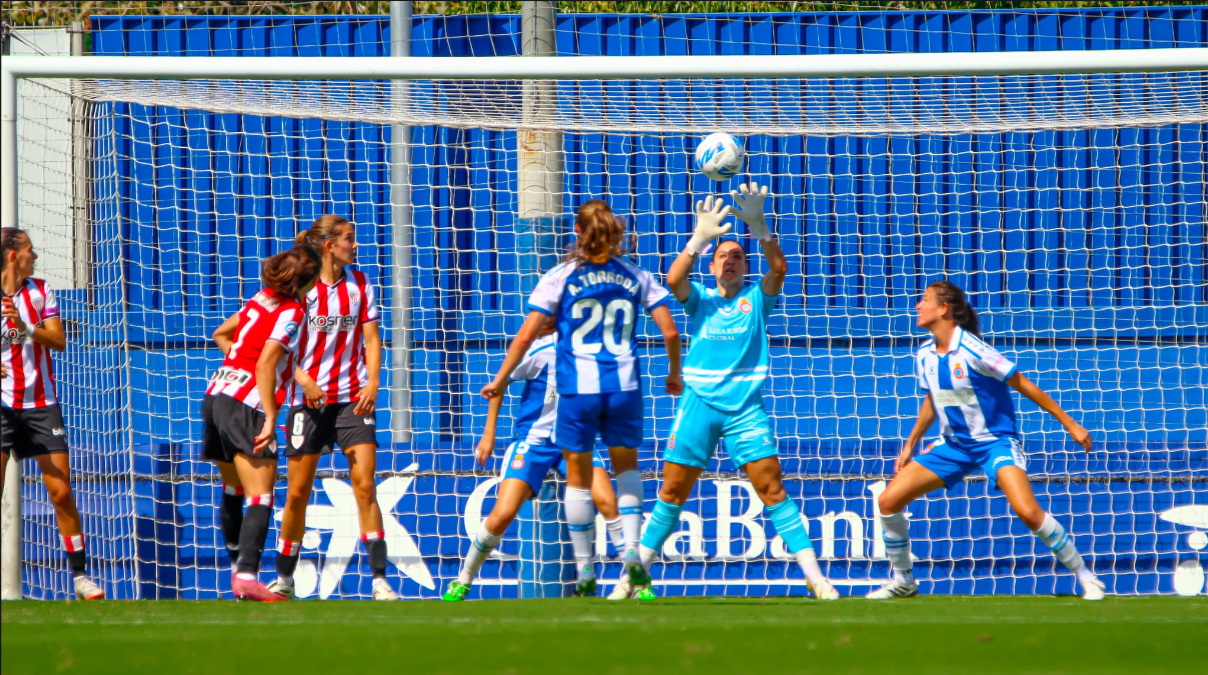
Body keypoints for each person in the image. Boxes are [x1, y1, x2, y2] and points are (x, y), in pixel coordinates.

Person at [625, 184, 840, 602]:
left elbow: (778, 270)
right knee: (671, 492)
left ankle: (817, 580)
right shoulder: (700, 300)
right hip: (699, 405)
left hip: (745, 410)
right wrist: (699, 239)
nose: (730, 260)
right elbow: (672, 280)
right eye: (723, 255)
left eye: (737, 256)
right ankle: (632, 581)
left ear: (745, 266)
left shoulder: (757, 299)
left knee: (773, 490)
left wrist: (760, 227)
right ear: (712, 265)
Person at [479, 200, 683, 597]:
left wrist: (499, 379)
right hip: (623, 385)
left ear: (578, 231)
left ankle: (586, 568)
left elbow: (525, 336)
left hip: (579, 389)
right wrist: (673, 374)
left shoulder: (561, 275)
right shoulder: (637, 275)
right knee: (627, 470)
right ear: (616, 232)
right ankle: (631, 558)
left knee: (578, 476)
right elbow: (672, 333)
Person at [866, 280, 1106, 600]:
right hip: (954, 446)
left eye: (924, 300)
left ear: (944, 309)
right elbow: (933, 400)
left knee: (1028, 512)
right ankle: (903, 580)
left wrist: (1070, 424)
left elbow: (1023, 384)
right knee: (887, 500)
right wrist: (911, 444)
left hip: (995, 443)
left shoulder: (973, 349)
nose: (917, 306)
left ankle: (1086, 577)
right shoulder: (924, 353)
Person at [443, 317, 628, 601]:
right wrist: (489, 433)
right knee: (503, 514)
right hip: (534, 442)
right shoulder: (540, 350)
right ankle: (463, 579)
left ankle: (631, 579)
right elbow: (499, 384)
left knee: (606, 500)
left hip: (576, 444)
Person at [266, 216, 396, 601]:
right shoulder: (299, 289)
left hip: (354, 399)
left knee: (366, 485)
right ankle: (285, 578)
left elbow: (372, 339)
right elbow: (276, 349)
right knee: (296, 494)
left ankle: (378, 580)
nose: (355, 246)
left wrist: (373, 383)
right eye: (349, 239)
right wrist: (302, 380)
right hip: (306, 402)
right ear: (328, 245)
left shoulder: (360, 283)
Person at [204, 245, 321, 602]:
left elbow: (222, 335)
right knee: (262, 494)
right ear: (311, 280)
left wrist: (240, 364)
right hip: (247, 404)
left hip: (216, 395)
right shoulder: (292, 311)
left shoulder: (261, 298)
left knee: (235, 487)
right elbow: (266, 365)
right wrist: (271, 416)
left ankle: (238, 567)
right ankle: (247, 577)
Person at [1, 227, 105, 600]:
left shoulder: (40, 290)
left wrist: (26, 329)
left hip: (42, 406)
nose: (36, 256)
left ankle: (79, 577)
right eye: (30, 250)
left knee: (61, 492)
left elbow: (58, 340)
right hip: (2, 407)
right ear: (13, 255)